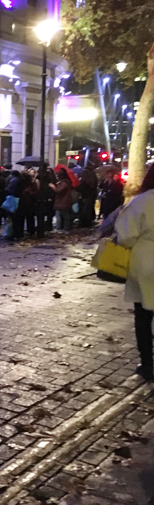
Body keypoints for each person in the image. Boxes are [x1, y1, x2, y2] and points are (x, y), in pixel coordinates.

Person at [115, 164, 154, 382]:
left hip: (146, 263)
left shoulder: (142, 202)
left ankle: (147, 364)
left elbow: (126, 236)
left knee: (143, 315)